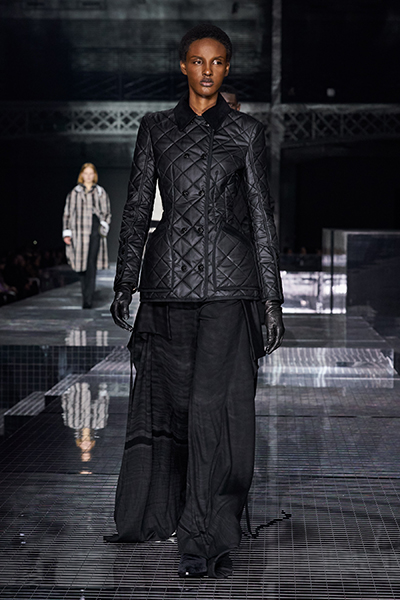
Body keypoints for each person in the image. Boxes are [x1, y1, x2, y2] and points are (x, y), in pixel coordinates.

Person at [107, 23, 284, 579]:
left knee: (217, 413)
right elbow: (137, 207)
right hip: (167, 287)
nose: (208, 70)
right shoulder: (155, 129)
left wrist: (272, 302)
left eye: (218, 62)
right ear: (183, 66)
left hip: (230, 287)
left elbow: (261, 219)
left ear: (227, 69)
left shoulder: (247, 133)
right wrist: (125, 281)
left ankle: (206, 540)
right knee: (176, 410)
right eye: (198, 61)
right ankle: (171, 515)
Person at [62, 163, 111, 308]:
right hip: (78, 232)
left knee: (91, 264)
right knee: (81, 265)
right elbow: (67, 213)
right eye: (86, 173)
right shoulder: (74, 193)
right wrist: (67, 231)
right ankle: (86, 295)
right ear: (82, 175)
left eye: (91, 173)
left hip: (95, 230)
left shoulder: (100, 192)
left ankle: (88, 299)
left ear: (94, 175)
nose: (88, 176)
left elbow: (107, 212)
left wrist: (104, 225)